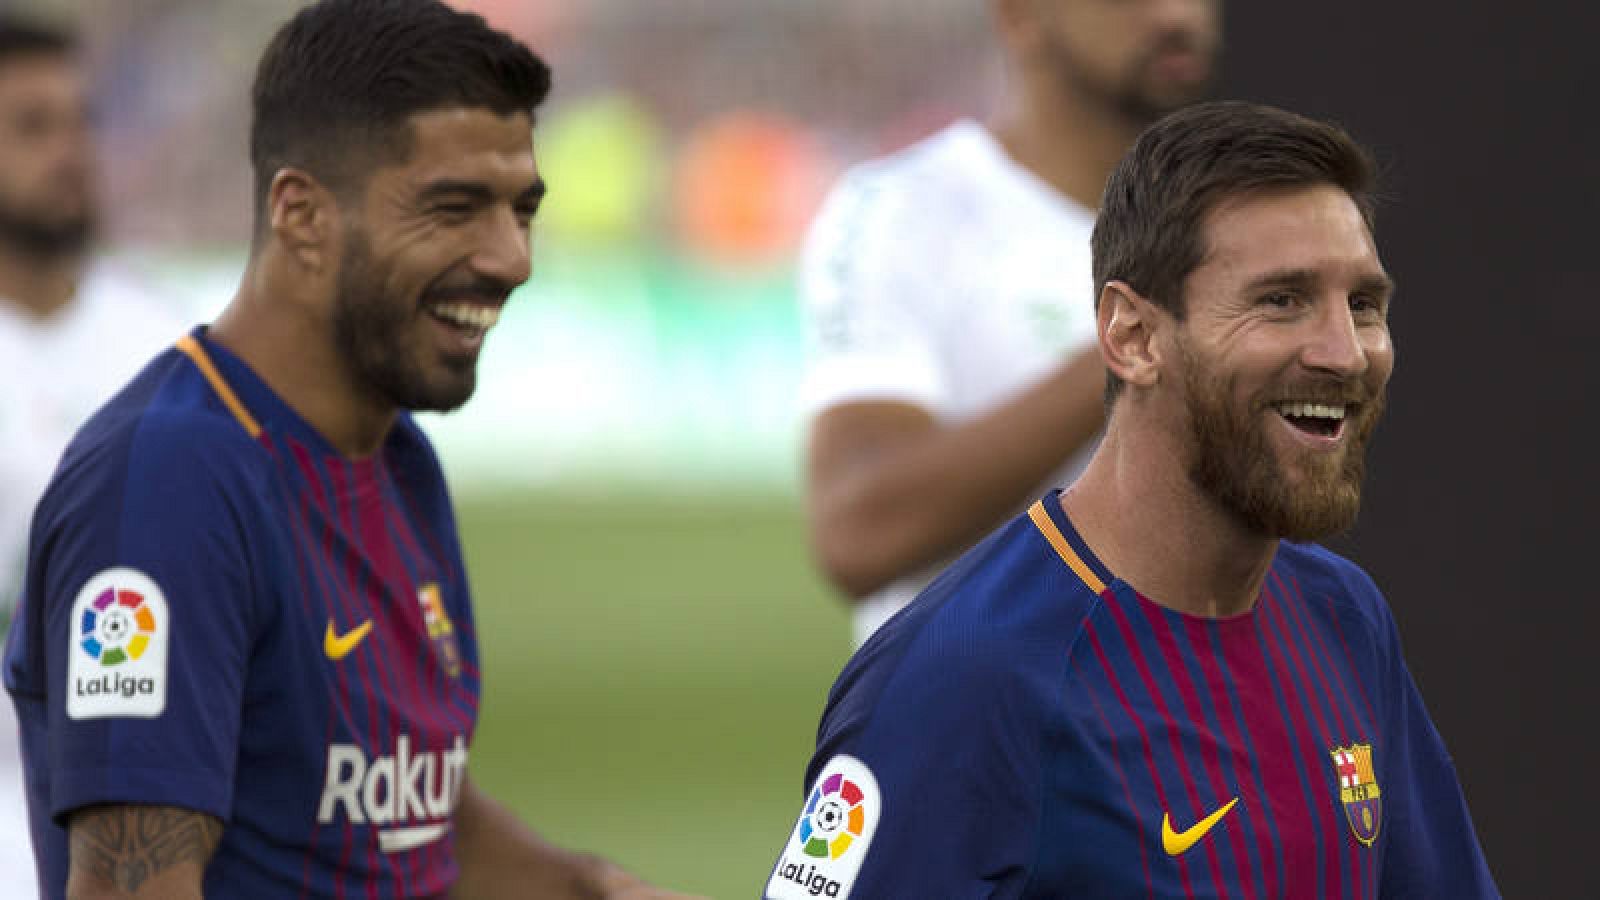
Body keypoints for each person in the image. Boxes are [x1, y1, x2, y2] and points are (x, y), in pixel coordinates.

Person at [2, 2, 697, 897]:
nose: (511, 257)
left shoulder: (395, 458)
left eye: (521, 209)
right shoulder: (169, 488)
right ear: (300, 214)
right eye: (454, 208)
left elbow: (414, 821)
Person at [764, 101, 1500, 898]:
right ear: (1132, 337)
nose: (1344, 352)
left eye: (1363, 304)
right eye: (1281, 300)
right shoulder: (962, 682)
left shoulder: (1344, 617)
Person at [800, 0, 1222, 645]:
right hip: (966, 737)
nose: (1179, 15)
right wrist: (1143, 339)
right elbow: (860, 531)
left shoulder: (1268, 228)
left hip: (1192, 727)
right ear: (1022, 14)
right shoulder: (905, 210)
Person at [0, 16, 185, 889]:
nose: (69, 152)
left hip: (136, 814)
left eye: (80, 123)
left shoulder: (169, 350)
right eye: (31, 127)